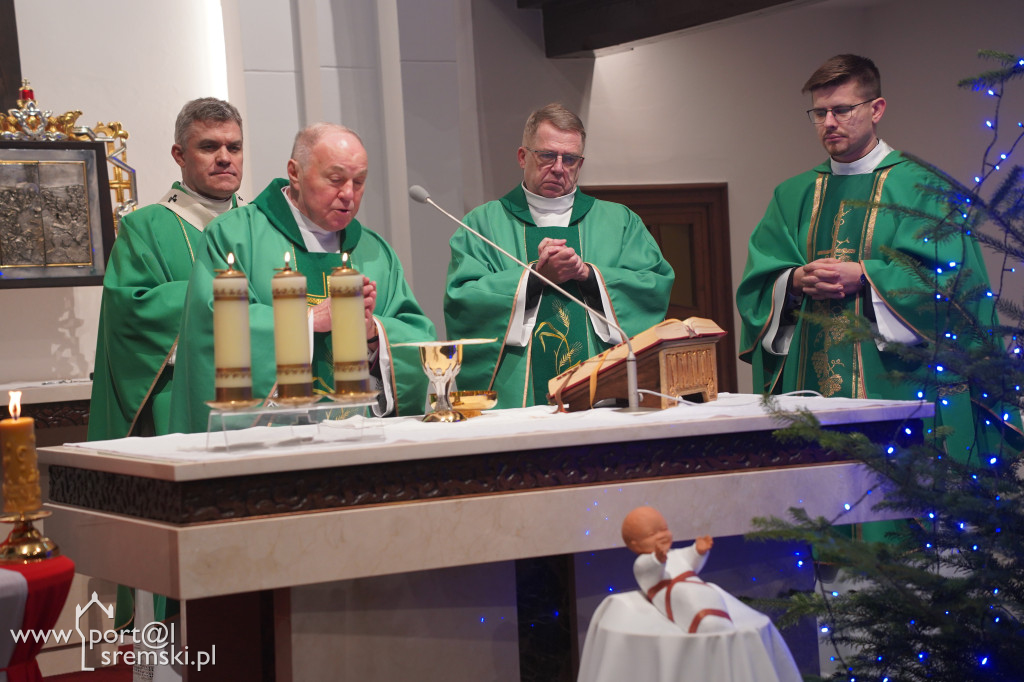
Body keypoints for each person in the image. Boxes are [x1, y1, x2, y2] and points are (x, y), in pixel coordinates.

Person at [736, 54, 1021, 472]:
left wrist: (867, 277)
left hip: (901, 382)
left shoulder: (924, 187)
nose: (829, 122)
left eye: (842, 110)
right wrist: (794, 280)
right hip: (811, 386)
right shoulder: (792, 194)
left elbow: (958, 287)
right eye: (819, 112)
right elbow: (757, 284)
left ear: (876, 109)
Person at [169, 123, 434, 432]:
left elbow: (418, 336)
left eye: (359, 182)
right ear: (294, 172)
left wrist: (374, 333)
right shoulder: (234, 236)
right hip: (269, 444)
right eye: (335, 179)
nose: (348, 194)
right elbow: (210, 329)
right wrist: (308, 320)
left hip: (360, 440)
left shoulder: (375, 252)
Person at [445, 103, 674, 409]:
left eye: (570, 159)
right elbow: (463, 299)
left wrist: (590, 276)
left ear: (580, 164)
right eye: (547, 155)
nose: (558, 167)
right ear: (522, 156)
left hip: (602, 391)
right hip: (516, 398)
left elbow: (653, 286)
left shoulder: (619, 222)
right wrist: (533, 278)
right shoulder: (482, 224)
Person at [88, 97, 245, 440]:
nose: (224, 158)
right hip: (184, 400)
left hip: (264, 396)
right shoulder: (145, 228)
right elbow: (130, 316)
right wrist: (222, 298)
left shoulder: (262, 225)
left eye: (234, 147)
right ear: (179, 155)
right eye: (208, 147)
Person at [621, 506, 733, 634]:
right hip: (676, 593)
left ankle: (724, 628)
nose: (661, 536)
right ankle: (708, 629)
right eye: (652, 534)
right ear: (635, 544)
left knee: (714, 601)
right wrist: (657, 560)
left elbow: (690, 559)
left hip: (701, 588)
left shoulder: (676, 553)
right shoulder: (641, 563)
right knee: (699, 612)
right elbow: (648, 571)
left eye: (664, 529)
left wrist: (698, 551)